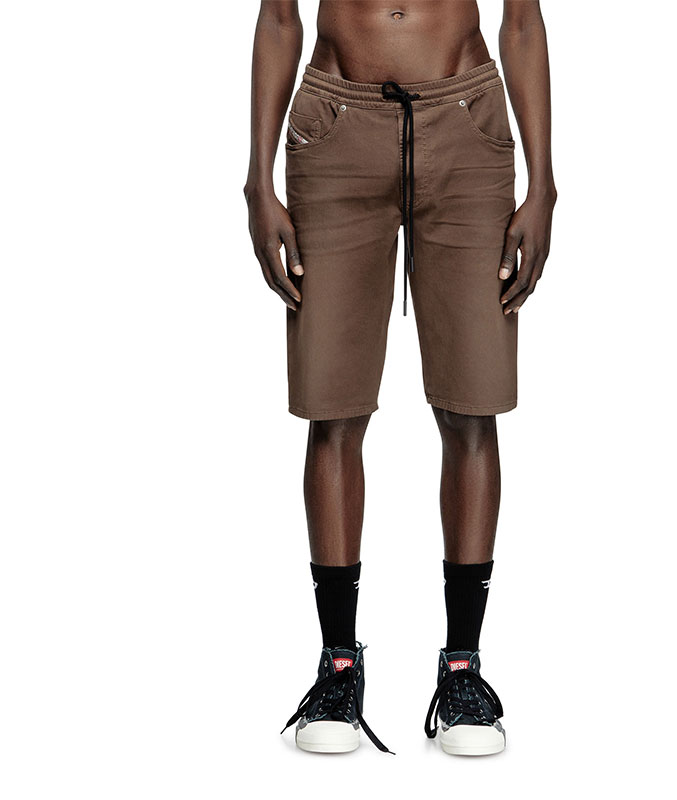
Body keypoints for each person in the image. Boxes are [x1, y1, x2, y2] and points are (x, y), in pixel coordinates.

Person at [244, 0, 556, 756]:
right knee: (333, 408)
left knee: (472, 405)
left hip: (467, 124)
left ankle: (463, 669)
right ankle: (338, 667)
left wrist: (543, 183)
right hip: (335, 127)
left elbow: (521, 19)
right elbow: (280, 17)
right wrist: (258, 178)